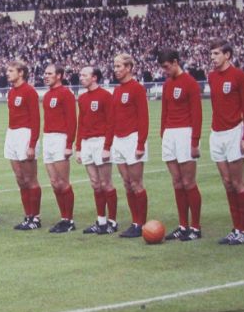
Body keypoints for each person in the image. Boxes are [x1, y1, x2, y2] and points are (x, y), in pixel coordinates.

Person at [208, 39, 244, 245]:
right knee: (227, 183)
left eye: (216, 53)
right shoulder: (211, 76)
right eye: (211, 54)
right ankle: (236, 228)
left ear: (227, 55)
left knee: (238, 183)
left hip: (234, 132)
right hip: (216, 134)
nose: (213, 57)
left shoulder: (238, 75)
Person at [157, 48, 204, 242]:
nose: (165, 71)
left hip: (185, 133)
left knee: (188, 182)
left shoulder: (190, 83)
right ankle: (183, 225)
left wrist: (194, 141)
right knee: (177, 181)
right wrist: (163, 133)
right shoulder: (167, 84)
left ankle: (195, 227)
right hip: (170, 134)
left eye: (166, 67)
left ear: (176, 62)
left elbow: (197, 114)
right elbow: (165, 111)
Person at [104, 53, 149, 238]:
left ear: (129, 67)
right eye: (114, 66)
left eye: (119, 66)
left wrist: (140, 144)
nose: (115, 70)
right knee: (127, 183)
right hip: (119, 140)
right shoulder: (117, 91)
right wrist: (108, 145)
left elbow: (143, 117)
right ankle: (135, 222)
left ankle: (141, 224)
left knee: (136, 183)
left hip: (133, 139)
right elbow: (112, 119)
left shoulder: (137, 88)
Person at [75, 66, 118, 235]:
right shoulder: (82, 98)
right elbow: (81, 123)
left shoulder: (105, 96)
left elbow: (111, 122)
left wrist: (107, 147)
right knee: (95, 183)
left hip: (101, 142)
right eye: (80, 75)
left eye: (84, 75)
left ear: (94, 78)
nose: (81, 77)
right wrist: (78, 148)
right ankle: (101, 221)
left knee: (106, 183)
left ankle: (112, 222)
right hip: (86, 143)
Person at [4, 60, 43, 231]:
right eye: (8, 71)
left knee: (30, 179)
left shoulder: (29, 91)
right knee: (20, 178)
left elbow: (36, 119)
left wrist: (32, 144)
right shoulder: (11, 92)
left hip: (25, 134)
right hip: (12, 133)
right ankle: (28, 215)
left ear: (21, 73)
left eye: (11, 71)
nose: (8, 73)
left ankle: (36, 217)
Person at [41, 64, 78, 233]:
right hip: (48, 138)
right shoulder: (47, 95)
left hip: (60, 139)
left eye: (49, 73)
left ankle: (69, 220)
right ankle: (63, 218)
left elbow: (72, 120)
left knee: (63, 182)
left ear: (59, 75)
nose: (45, 76)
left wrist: (69, 144)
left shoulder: (66, 93)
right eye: (45, 73)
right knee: (54, 183)